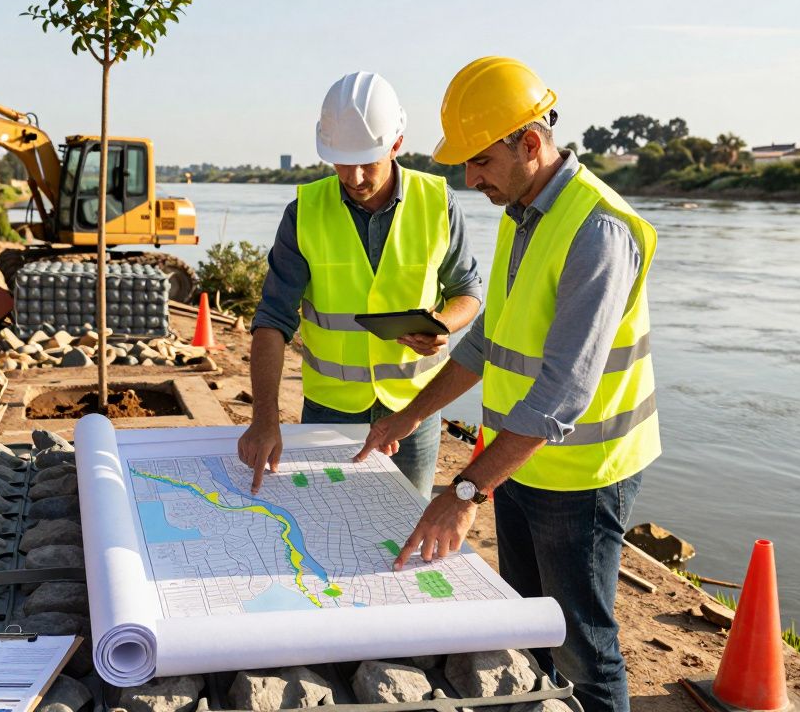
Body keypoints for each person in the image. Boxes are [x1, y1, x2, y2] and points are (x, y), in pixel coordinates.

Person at [355, 57, 660, 712]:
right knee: (529, 620)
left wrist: (466, 489)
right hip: (523, 466)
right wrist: (411, 414)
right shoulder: (528, 214)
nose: (470, 180)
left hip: (583, 478)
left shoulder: (596, 231)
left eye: (480, 162)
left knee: (582, 640)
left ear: (530, 143)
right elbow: (489, 341)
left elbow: (561, 392)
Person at [238, 71, 483, 498]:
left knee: (405, 525)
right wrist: (264, 420)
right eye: (341, 162)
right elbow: (272, 322)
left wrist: (441, 324)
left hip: (414, 411)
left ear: (396, 144)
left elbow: (468, 290)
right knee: (324, 524)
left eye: (367, 163)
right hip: (328, 411)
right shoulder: (304, 212)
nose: (353, 178)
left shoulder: (437, 201)